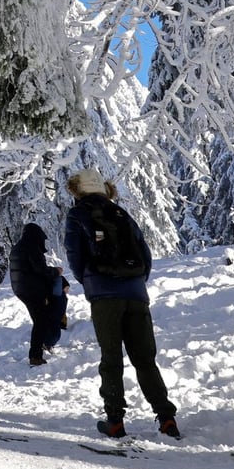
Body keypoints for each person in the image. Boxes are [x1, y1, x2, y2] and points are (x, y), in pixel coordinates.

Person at [63, 168, 180, 439]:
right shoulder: (121, 214)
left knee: (112, 358)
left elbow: (75, 257)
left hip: (105, 297)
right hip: (136, 294)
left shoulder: (78, 214)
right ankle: (166, 418)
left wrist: (92, 281)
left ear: (77, 190)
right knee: (145, 359)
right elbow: (145, 255)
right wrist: (135, 283)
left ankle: (115, 421)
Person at [8, 222, 67, 367]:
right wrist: (56, 272)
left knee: (40, 319)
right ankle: (36, 355)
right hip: (32, 290)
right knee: (41, 321)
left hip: (22, 290)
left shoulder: (18, 248)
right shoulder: (31, 247)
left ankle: (43, 345)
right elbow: (41, 270)